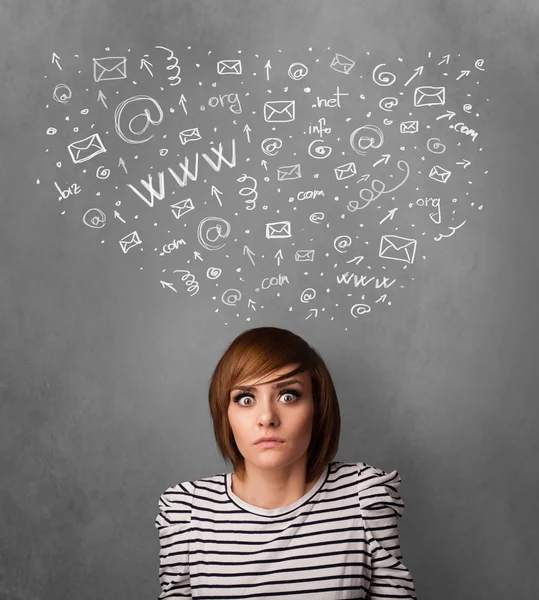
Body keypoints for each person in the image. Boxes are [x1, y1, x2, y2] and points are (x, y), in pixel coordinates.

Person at [155, 326, 417, 599]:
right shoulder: (186, 511)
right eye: (246, 399)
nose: (267, 417)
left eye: (288, 395)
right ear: (225, 414)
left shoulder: (364, 496)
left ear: (317, 407)